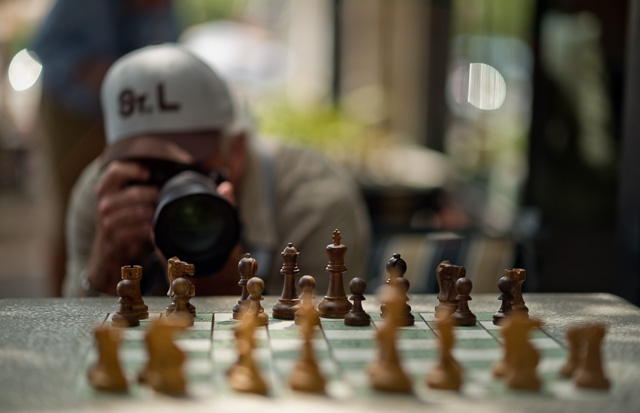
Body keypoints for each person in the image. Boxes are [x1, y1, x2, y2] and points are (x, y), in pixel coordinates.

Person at [64, 43, 371, 297]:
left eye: (190, 169)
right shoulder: (104, 194)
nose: (170, 187)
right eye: (148, 170)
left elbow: (318, 344)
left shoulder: (316, 204)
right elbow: (67, 341)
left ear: (236, 149)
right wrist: (100, 277)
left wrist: (225, 291)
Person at [32, 0, 179, 295]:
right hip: (71, 109)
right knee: (72, 207)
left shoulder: (167, 10)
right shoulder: (81, 7)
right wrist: (93, 72)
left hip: (130, 111)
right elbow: (46, 50)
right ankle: (61, 307)